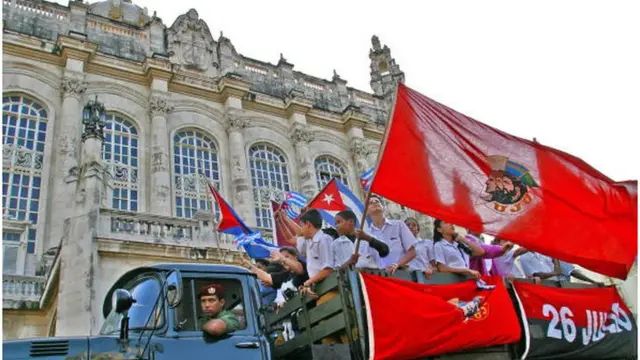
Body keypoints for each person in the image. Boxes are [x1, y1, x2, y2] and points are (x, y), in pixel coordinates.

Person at [366, 195, 417, 274]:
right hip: (381, 276)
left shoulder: (399, 225)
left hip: (402, 272)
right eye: (370, 203)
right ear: (366, 212)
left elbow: (412, 252)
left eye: (377, 201)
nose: (374, 203)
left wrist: (397, 264)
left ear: (383, 207)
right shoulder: (366, 235)